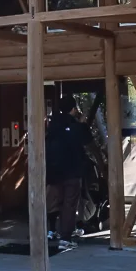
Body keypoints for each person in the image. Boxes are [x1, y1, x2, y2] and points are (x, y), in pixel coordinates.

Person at [45, 95, 91, 250]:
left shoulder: (52, 126)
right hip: (72, 171)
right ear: (73, 109)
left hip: (53, 172)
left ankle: (51, 230)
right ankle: (65, 237)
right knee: (69, 204)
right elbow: (88, 143)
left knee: (55, 202)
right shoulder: (77, 126)